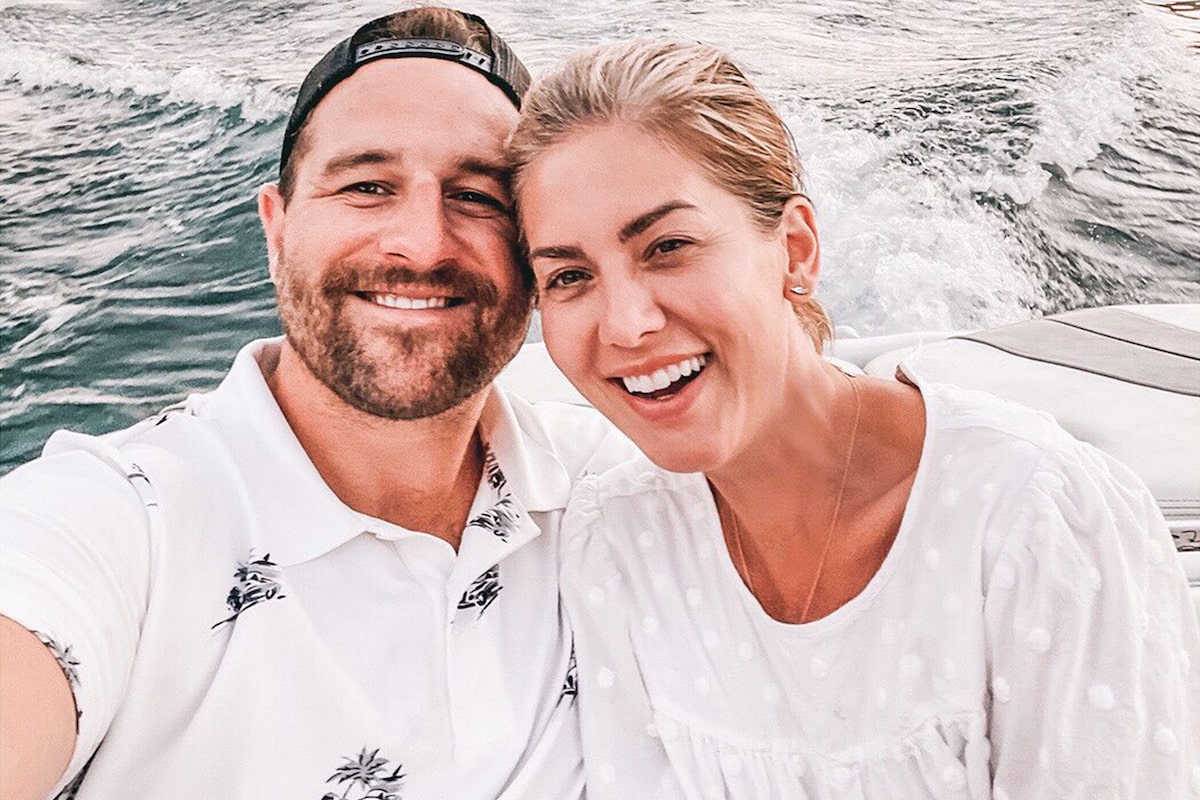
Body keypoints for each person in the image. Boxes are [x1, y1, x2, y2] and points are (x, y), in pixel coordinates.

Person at [509, 39, 1200, 798]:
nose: (626, 324)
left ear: (795, 250)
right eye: (568, 276)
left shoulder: (1035, 519)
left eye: (668, 246)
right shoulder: (615, 544)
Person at [0, 9, 632, 800]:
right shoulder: (122, 525)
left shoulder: (615, 495)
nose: (422, 244)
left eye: (478, 196)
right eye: (367, 186)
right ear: (276, 229)